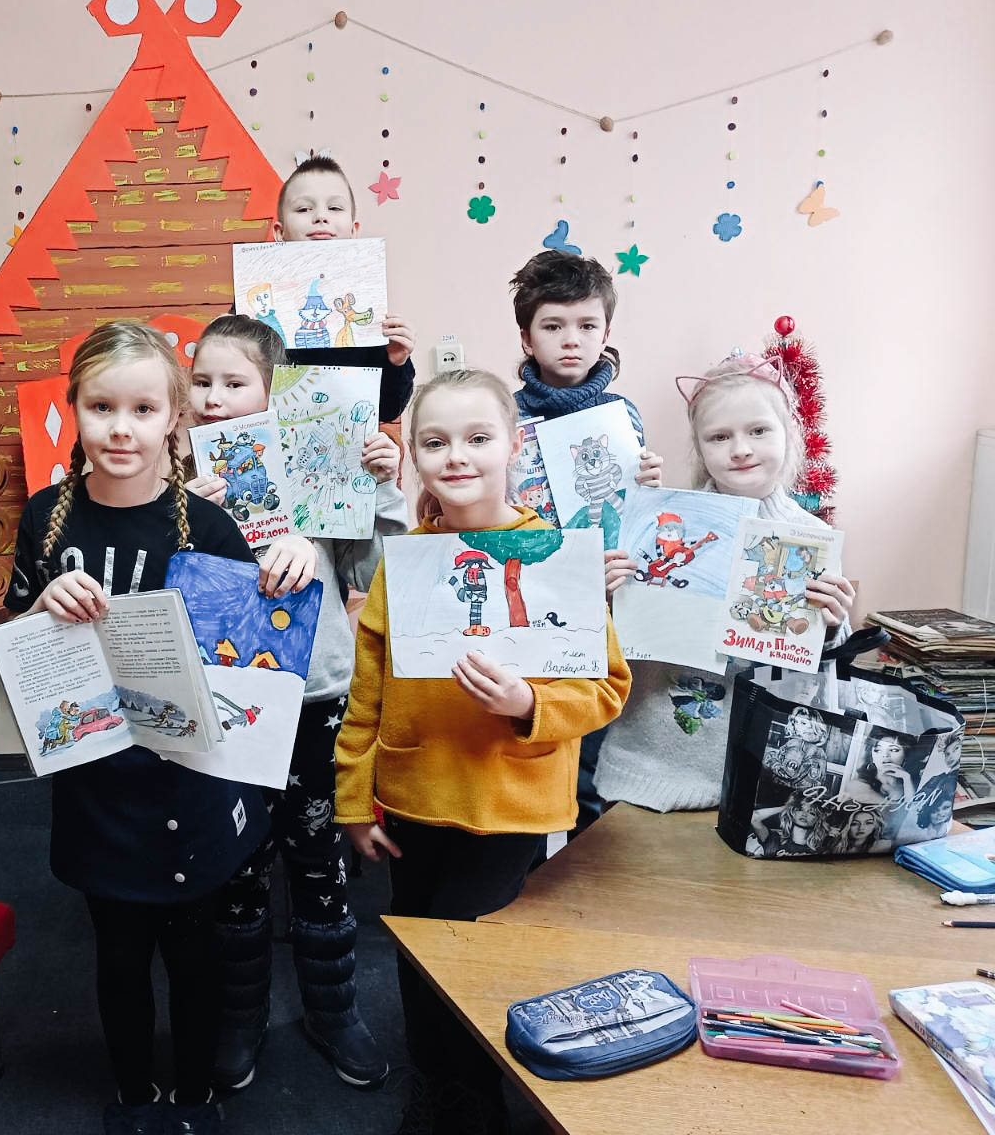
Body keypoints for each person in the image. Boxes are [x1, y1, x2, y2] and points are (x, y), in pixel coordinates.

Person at [6, 321, 299, 1135]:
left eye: (143, 409)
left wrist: (297, 559)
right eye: (101, 407)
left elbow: (252, 655)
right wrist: (39, 610)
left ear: (175, 417)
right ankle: (135, 1096)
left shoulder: (208, 527)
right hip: (98, 786)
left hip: (187, 785)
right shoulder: (46, 518)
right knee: (119, 955)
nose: (121, 428)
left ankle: (197, 1097)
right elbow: (16, 644)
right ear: (74, 409)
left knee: (195, 953)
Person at [334, 368, 631, 1135]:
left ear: (514, 445)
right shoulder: (405, 563)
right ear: (414, 455)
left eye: (477, 437)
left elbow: (606, 689)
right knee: (417, 955)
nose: (456, 456)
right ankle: (436, 1092)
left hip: (509, 807)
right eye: (435, 442)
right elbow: (365, 697)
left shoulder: (556, 555)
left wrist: (529, 703)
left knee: (470, 965)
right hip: (413, 800)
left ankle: (476, 1104)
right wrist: (354, 804)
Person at [185, 314, 407, 1092]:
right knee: (238, 865)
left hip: (316, 696)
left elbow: (377, 573)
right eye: (201, 382)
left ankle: (334, 1011)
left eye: (233, 382)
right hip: (225, 701)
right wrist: (191, 522)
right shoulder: (174, 483)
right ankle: (240, 1018)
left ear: (273, 393)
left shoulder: (320, 462)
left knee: (318, 859)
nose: (214, 398)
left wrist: (380, 482)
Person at [596, 353, 854, 812]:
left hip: (760, 784)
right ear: (699, 448)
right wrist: (613, 597)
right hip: (647, 769)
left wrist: (832, 624)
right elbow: (617, 644)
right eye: (719, 436)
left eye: (758, 431)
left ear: (789, 434)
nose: (740, 449)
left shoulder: (810, 537)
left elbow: (822, 671)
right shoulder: (662, 524)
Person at [507, 251, 661, 833]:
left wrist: (649, 487)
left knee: (589, 750)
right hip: (526, 596)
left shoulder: (623, 416)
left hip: (602, 603)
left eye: (586, 325)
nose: (571, 339)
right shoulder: (505, 416)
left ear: (606, 332)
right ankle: (525, 857)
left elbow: (637, 518)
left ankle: (581, 858)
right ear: (527, 338)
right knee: (526, 739)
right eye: (553, 325)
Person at [268, 154, 416, 424]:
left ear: (353, 230)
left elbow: (388, 409)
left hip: (349, 441)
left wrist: (396, 361)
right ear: (280, 232)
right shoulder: (259, 299)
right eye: (303, 209)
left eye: (335, 208)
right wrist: (224, 339)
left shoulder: (365, 307)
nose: (320, 217)